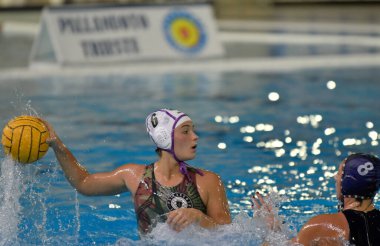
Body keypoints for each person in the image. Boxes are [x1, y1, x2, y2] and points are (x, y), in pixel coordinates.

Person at [41, 109, 231, 236]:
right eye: (186, 131)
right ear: (164, 138)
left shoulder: (208, 181)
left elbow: (229, 235)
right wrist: (58, 146)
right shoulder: (134, 176)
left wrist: (199, 218)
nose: (195, 136)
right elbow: (84, 183)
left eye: (193, 130)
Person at [252, 153, 380, 246]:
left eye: (340, 173)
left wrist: (270, 232)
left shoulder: (323, 226)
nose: (335, 177)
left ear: (348, 181)